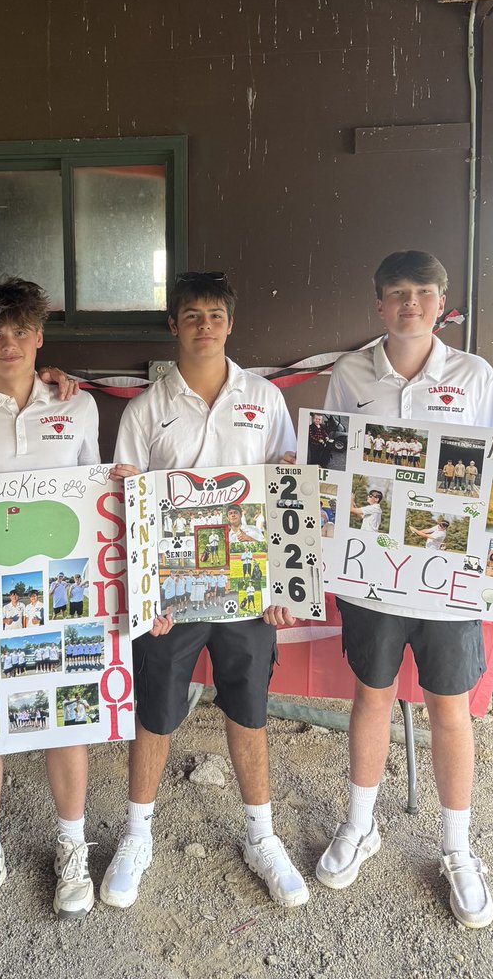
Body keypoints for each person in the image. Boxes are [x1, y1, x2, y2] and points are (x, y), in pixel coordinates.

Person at [301, 250, 493, 930]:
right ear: (378, 306)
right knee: (372, 696)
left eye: (422, 294)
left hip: (449, 580)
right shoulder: (351, 373)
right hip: (373, 575)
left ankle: (457, 846)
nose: (410, 305)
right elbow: (329, 466)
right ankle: (360, 825)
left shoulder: (473, 374)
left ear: (443, 305)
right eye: (396, 294)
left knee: (451, 709)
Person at [101, 271, 308, 912]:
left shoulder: (264, 399)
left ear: (230, 322)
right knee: (156, 712)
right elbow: (125, 506)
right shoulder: (145, 409)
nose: (204, 325)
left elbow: (286, 492)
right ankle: (137, 836)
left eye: (215, 314)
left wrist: (280, 581)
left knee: (248, 708)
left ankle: (261, 837)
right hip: (171, 600)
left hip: (248, 592)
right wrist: (144, 595)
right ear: (173, 324)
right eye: (192, 315)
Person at [0, 277, 99, 927]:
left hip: (62, 594)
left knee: (68, 715)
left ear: (39, 337)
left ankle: (71, 847)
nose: (8, 344)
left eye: (20, 332)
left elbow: (94, 490)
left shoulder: (77, 406)